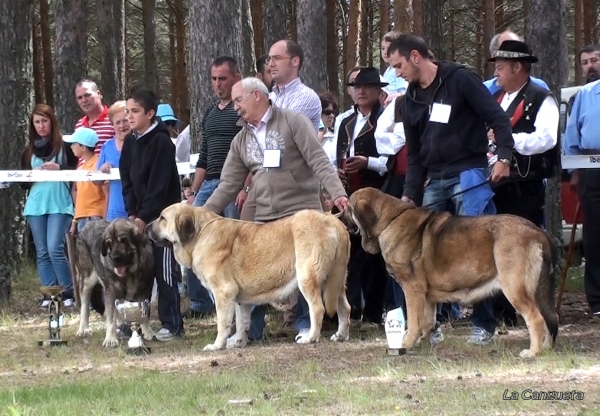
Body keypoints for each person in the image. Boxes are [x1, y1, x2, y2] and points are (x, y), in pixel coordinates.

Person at [387, 33, 514, 344]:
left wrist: (504, 158)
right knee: (430, 256)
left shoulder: (460, 80)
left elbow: (498, 118)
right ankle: (433, 325)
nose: (396, 73)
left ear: (415, 56)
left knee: (478, 250)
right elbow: (414, 156)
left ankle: (484, 325)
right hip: (434, 179)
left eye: (399, 65)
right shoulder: (410, 100)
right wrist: (408, 196)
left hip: (470, 174)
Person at [203, 77, 348, 343]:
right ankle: (249, 331)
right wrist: (203, 215)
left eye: (238, 100)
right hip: (262, 215)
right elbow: (228, 184)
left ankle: (306, 324)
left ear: (257, 96)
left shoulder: (293, 121)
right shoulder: (241, 139)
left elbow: (318, 160)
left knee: (307, 269)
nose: (235, 107)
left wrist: (337, 193)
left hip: (299, 209)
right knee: (251, 268)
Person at [471, 40, 559, 341]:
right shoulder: (499, 99)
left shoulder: (540, 97)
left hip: (525, 184)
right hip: (499, 184)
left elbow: (545, 139)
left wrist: (510, 142)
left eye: (500, 68)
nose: (496, 75)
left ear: (517, 68)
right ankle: (502, 311)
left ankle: (534, 314)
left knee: (522, 251)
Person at [119, 87, 183, 341]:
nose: (129, 117)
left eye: (135, 111)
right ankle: (135, 322)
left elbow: (158, 187)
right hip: (139, 219)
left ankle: (172, 324)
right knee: (138, 271)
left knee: (165, 272)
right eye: (127, 111)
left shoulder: (162, 142)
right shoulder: (131, 142)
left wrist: (144, 217)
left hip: (163, 221)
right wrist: (133, 213)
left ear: (150, 113)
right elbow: (127, 182)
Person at [185, 56, 243, 319]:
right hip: (209, 184)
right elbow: (204, 157)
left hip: (234, 183)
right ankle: (200, 302)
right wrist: (193, 191)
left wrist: (246, 187)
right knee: (190, 238)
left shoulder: (241, 111)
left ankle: (237, 304)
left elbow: (251, 153)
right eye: (214, 79)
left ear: (236, 78)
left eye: (223, 79)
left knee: (232, 245)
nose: (218, 84)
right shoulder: (209, 113)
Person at [335, 67, 392, 327]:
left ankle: (373, 312)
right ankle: (353, 310)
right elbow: (339, 153)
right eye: (357, 87)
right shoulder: (345, 121)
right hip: (348, 196)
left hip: (377, 196)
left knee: (374, 255)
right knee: (350, 253)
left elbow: (392, 161)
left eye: (367, 86)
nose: (361, 91)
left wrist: (367, 163)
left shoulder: (385, 118)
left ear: (379, 90)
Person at [21, 104, 78, 308]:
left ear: (51, 122)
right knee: (42, 251)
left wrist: (58, 168)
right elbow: (22, 184)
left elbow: (77, 173)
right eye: (37, 122)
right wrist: (33, 175)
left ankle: (69, 290)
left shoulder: (65, 146)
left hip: (60, 203)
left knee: (55, 248)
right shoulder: (28, 151)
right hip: (36, 205)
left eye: (44, 121)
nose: (41, 125)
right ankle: (49, 293)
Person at [564, 78, 600, 317]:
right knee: (595, 234)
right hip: (592, 167)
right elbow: (571, 136)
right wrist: (575, 171)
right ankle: (598, 301)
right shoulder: (586, 93)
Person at [268, 39, 322, 131]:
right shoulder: (271, 97)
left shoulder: (306, 96)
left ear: (295, 61)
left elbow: (284, 133)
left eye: (277, 58)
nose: (271, 64)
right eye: (269, 59)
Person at [65, 128, 106, 234]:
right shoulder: (80, 169)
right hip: (81, 218)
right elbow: (80, 199)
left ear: (83, 147)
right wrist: (74, 222)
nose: (71, 146)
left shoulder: (99, 165)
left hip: (96, 216)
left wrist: (105, 221)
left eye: (74, 144)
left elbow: (106, 193)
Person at [483, 31, 548, 95]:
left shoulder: (540, 91)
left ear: (517, 67)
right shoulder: (485, 90)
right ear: (494, 55)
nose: (496, 74)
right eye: (506, 48)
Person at [96, 101, 130, 221]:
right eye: (118, 122)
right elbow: (96, 182)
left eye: (125, 120)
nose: (122, 125)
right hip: (114, 211)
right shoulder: (107, 147)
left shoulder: (140, 144)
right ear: (113, 125)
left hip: (136, 211)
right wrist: (102, 170)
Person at [74, 79, 115, 156]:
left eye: (87, 95)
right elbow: (79, 158)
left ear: (98, 94)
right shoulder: (79, 125)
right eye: (79, 98)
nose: (84, 100)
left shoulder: (113, 119)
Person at [380, 30, 409, 106]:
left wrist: (391, 98)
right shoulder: (388, 70)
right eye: (383, 48)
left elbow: (403, 92)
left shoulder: (398, 69)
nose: (385, 52)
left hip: (396, 106)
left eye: (389, 48)